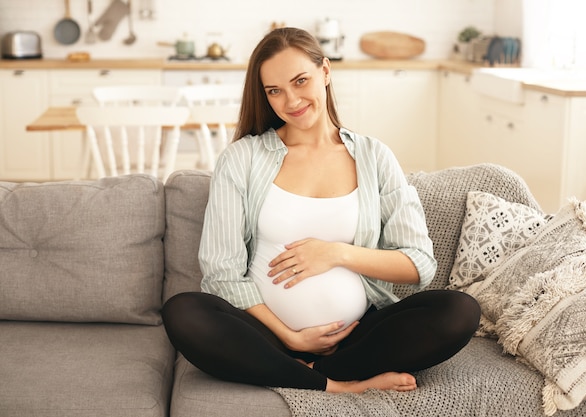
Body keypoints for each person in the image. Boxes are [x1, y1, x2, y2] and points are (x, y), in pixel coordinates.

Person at [162, 27, 480, 393]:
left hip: (356, 334)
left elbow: (418, 263)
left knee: (459, 311)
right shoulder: (242, 158)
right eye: (275, 91)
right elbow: (220, 273)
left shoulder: (374, 157)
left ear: (325, 72)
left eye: (301, 81)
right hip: (266, 336)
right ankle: (337, 384)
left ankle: (304, 372)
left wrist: (335, 253)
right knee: (184, 311)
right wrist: (292, 338)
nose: (291, 100)